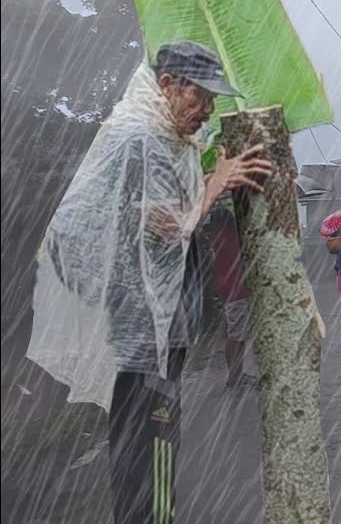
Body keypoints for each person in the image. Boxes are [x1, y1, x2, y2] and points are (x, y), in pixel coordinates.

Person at [26, 42, 273, 524]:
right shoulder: (142, 138)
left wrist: (212, 178)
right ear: (167, 86)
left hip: (145, 325)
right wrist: (216, 183)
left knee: (138, 445)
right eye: (200, 97)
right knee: (154, 446)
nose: (208, 111)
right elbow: (168, 224)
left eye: (213, 100)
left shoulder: (154, 136)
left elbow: (152, 215)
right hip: (148, 329)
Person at [209, 201, 253, 389]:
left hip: (233, 288)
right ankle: (234, 377)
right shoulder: (227, 235)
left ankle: (237, 374)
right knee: (236, 334)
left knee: (239, 334)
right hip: (235, 289)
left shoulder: (221, 235)